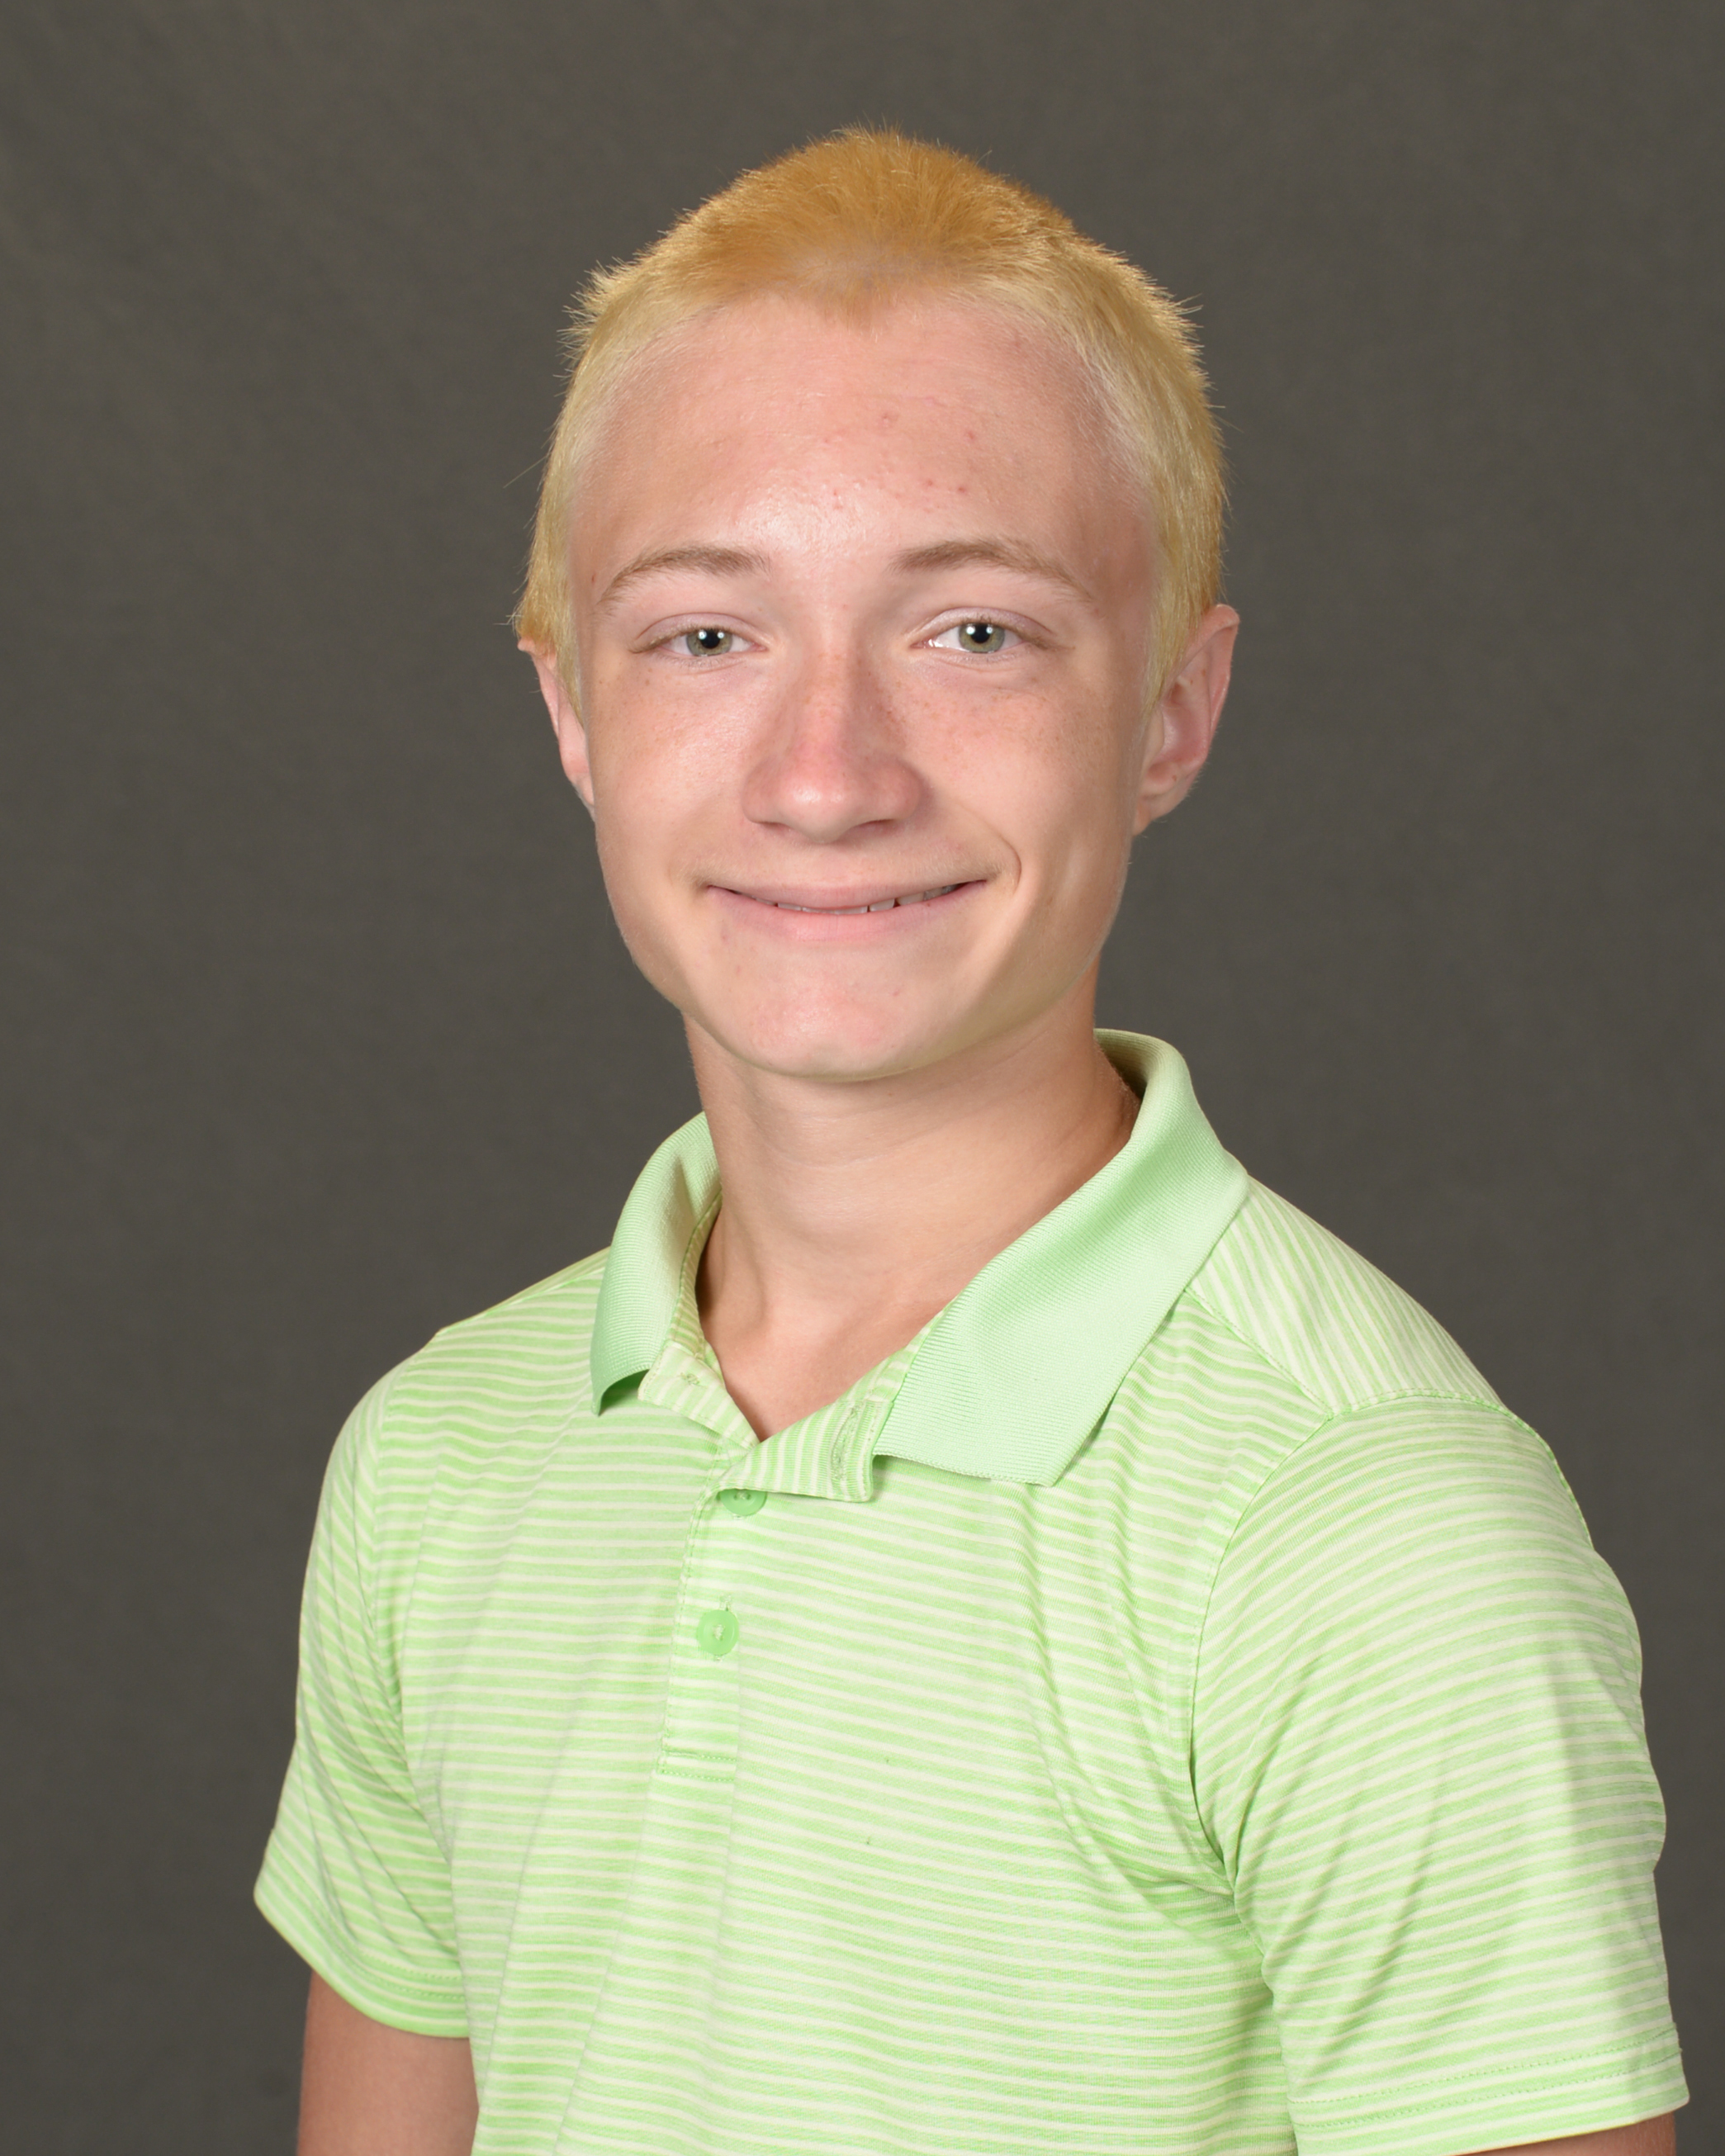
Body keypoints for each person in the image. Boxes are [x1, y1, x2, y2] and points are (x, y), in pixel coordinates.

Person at [257, 130, 1686, 2156]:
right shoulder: (439, 1459)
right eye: (705, 635)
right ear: (572, 709)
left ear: (1171, 710)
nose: (827, 775)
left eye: (976, 634)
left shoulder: (1363, 1529)